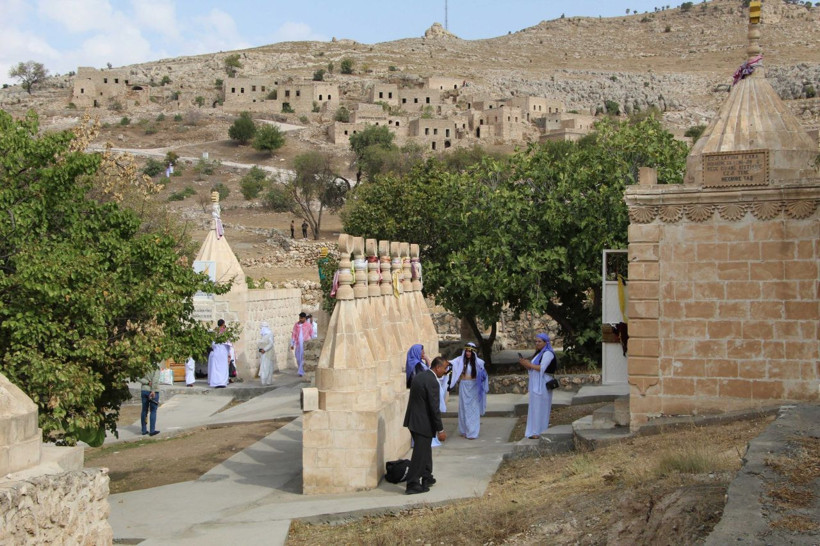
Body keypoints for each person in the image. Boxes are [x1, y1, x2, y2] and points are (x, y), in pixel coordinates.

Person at [403, 356, 449, 494]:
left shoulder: (420, 376)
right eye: (445, 368)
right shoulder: (432, 382)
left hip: (413, 420)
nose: (445, 371)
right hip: (422, 423)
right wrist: (440, 429)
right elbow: (434, 408)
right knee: (420, 454)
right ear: (438, 367)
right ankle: (412, 483)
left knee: (425, 451)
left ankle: (427, 476)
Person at [518, 333, 556, 439]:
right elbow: (533, 368)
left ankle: (539, 431)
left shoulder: (548, 353)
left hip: (543, 383)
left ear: (546, 342)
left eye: (539, 341)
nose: (537, 343)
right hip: (536, 382)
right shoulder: (538, 354)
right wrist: (526, 365)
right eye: (536, 341)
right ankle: (533, 431)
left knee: (541, 407)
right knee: (534, 407)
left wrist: (529, 364)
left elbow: (541, 368)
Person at [448, 342, 488, 439]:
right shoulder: (460, 360)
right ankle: (465, 430)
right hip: (464, 387)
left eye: (470, 351)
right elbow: (450, 363)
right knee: (463, 408)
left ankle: (472, 432)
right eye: (466, 351)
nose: (468, 353)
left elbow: (484, 375)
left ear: (473, 352)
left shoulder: (479, 363)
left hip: (474, 387)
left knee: (473, 409)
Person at [208, 319, 232, 388]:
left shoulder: (215, 332)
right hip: (223, 352)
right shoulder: (225, 333)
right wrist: (229, 353)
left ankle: (216, 382)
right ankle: (222, 382)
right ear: (223, 324)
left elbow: (212, 344)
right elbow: (228, 344)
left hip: (216, 352)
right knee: (222, 368)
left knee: (216, 368)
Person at [139, 363, 161, 436]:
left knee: (144, 410)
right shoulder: (156, 365)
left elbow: (138, 377)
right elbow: (155, 379)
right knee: (153, 411)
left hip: (144, 389)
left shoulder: (142, 364)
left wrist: (147, 382)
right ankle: (152, 430)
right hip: (153, 391)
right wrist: (153, 390)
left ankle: (144, 430)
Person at [290, 312, 312, 377]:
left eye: (302, 318)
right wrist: (292, 344)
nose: (300, 319)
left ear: (305, 318)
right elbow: (293, 334)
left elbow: (311, 334)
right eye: (300, 318)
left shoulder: (308, 325)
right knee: (298, 358)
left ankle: (301, 372)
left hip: (305, 344)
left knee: (303, 358)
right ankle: (300, 370)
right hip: (298, 344)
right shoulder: (296, 325)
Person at [257, 321, 275, 385]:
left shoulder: (270, 334)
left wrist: (265, 349)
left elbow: (271, 343)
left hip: (268, 354)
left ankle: (267, 381)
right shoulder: (264, 335)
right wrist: (260, 349)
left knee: (268, 367)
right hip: (263, 354)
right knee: (264, 367)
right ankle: (264, 381)